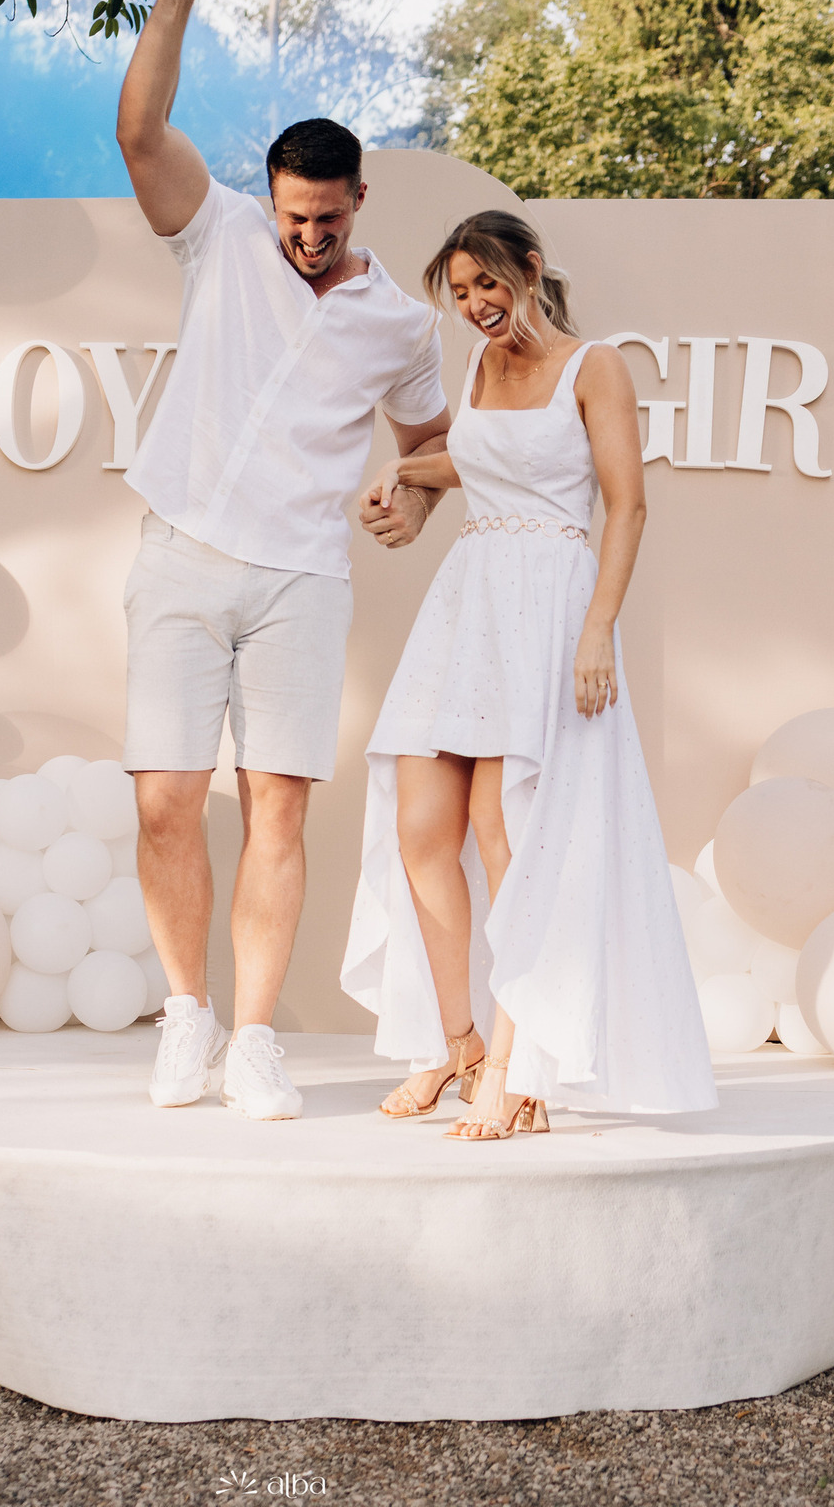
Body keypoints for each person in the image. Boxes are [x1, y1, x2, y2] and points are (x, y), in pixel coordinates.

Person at [115, 0, 452, 1120]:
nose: (308, 234)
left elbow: (426, 446)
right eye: (292, 215)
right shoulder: (218, 240)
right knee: (162, 799)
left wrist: (408, 496)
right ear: (269, 198)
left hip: (303, 581)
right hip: (180, 554)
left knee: (278, 806)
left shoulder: (399, 329)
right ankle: (186, 1017)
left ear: (359, 198)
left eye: (328, 216)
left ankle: (252, 1036)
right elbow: (142, 135)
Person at [342, 208, 717, 1137]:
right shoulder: (475, 370)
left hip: (552, 606)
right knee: (421, 825)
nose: (475, 306)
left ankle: (519, 1064)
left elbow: (625, 509)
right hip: (469, 599)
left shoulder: (596, 368)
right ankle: (457, 1041)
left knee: (507, 831)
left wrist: (598, 632)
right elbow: (481, 460)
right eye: (461, 293)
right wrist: (409, 473)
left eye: (486, 285)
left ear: (531, 270)